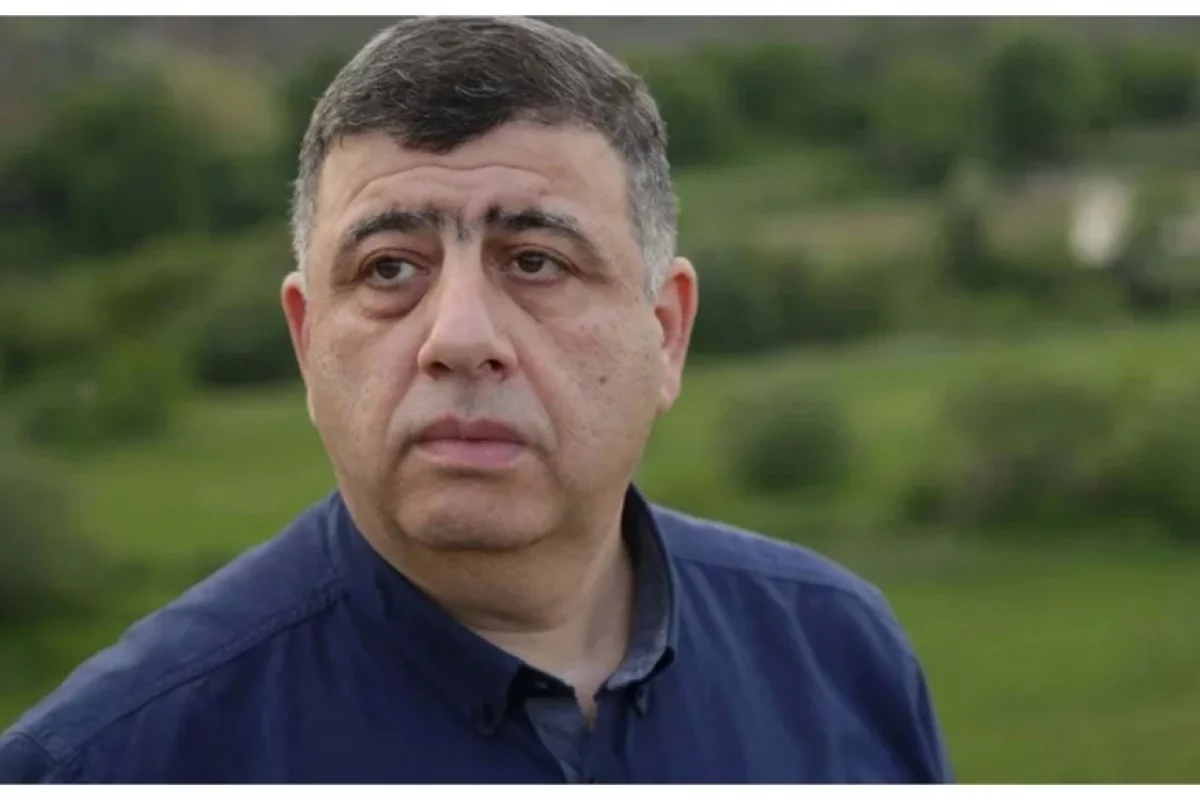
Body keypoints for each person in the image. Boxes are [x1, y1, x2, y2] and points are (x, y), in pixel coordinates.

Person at [0, 16, 953, 784]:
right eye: (389, 268)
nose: (458, 336)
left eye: (535, 261)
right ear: (305, 341)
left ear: (665, 332)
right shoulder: (105, 765)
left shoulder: (839, 658)